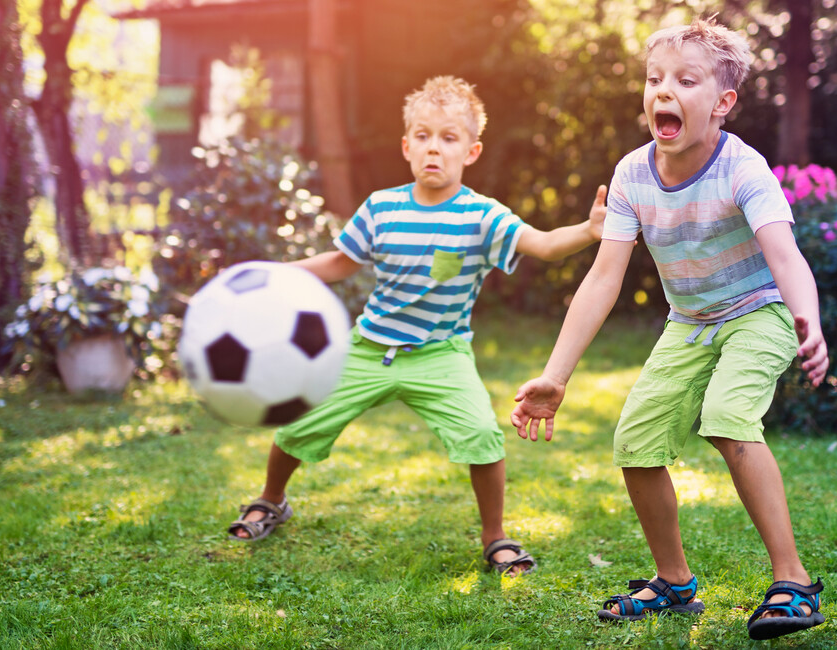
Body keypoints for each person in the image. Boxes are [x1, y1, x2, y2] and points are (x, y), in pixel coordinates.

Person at [509, 18, 830, 640]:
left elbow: (786, 256)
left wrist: (807, 320)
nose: (664, 90)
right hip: (690, 322)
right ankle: (675, 584)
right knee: (635, 442)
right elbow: (603, 280)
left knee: (729, 418)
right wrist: (556, 374)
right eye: (654, 79)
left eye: (686, 80)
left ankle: (793, 581)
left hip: (761, 311)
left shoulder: (744, 169)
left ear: (722, 103)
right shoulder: (632, 175)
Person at [227, 76, 607, 578]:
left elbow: (540, 243)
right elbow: (342, 263)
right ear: (407, 146)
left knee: (481, 435)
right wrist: (278, 272)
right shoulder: (382, 207)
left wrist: (587, 231)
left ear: (470, 151)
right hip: (369, 347)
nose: (435, 148)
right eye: (424, 136)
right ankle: (271, 500)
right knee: (299, 423)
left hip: (441, 353)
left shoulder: (480, 216)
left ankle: (495, 536)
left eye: (449, 138)